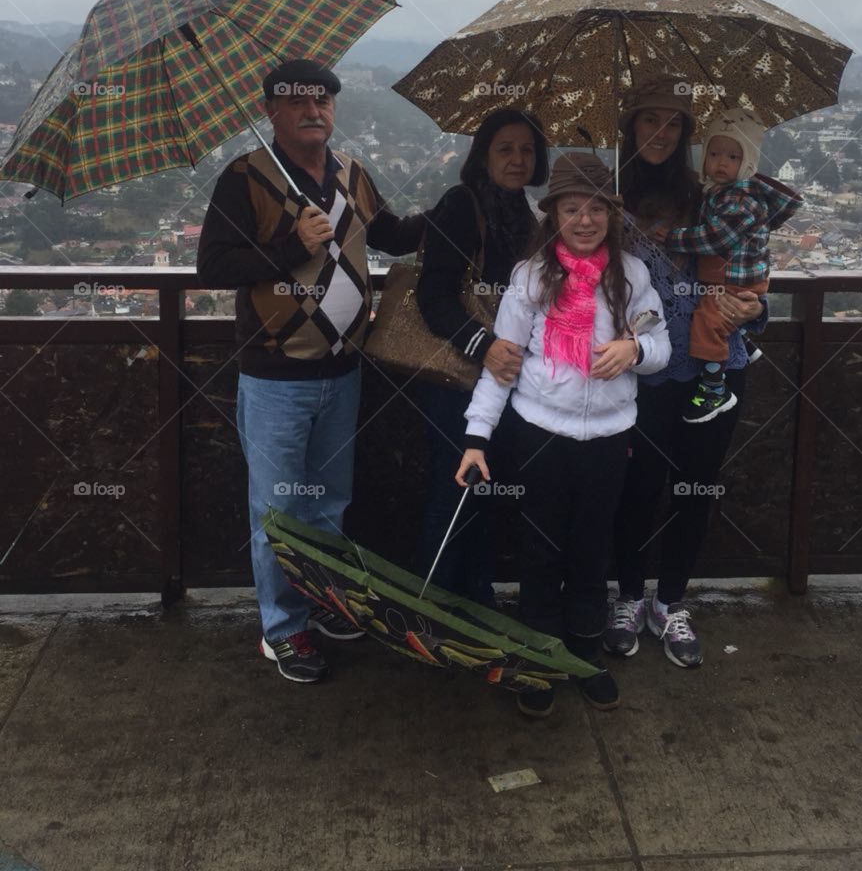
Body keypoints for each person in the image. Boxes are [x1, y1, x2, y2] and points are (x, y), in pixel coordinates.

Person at [196, 58, 425, 683]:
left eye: (323, 100)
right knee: (278, 510)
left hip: (346, 369)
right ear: (271, 110)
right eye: (297, 102)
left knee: (328, 503)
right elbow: (213, 268)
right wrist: (293, 245)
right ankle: (282, 630)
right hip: (275, 378)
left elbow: (393, 236)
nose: (313, 110)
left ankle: (323, 602)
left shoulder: (352, 173)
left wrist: (457, 211)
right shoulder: (244, 178)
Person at [455, 152, 671, 719]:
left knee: (591, 549)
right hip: (540, 433)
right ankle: (537, 656)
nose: (584, 220)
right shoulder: (531, 278)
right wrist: (477, 436)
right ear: (553, 215)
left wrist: (635, 349)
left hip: (608, 437)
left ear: (612, 216)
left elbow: (662, 348)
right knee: (539, 551)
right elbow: (502, 364)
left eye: (597, 209)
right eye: (572, 208)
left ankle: (583, 654)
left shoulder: (633, 276)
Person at [603, 78, 767, 670]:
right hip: (640, 372)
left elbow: (750, 273)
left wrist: (755, 307)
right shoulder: (609, 196)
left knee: (695, 487)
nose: (661, 133)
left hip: (712, 365)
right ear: (631, 127)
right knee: (637, 487)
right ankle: (626, 596)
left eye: (674, 123)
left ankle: (670, 601)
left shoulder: (715, 195)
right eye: (650, 119)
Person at [415, 108, 548, 605]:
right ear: (483, 156)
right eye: (505, 149)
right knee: (453, 492)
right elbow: (434, 295)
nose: (518, 160)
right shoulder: (461, 205)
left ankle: (474, 595)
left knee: (483, 492)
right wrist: (484, 345)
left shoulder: (528, 215)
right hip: (459, 378)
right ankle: (435, 602)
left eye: (527, 150)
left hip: (503, 379)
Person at [663, 108, 801, 424]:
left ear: (748, 163)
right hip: (725, 278)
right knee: (715, 311)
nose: (721, 162)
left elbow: (715, 238)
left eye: (732, 157)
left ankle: (714, 389)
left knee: (710, 320)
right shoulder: (718, 192)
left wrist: (673, 238)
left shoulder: (741, 198)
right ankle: (741, 342)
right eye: (713, 153)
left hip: (735, 280)